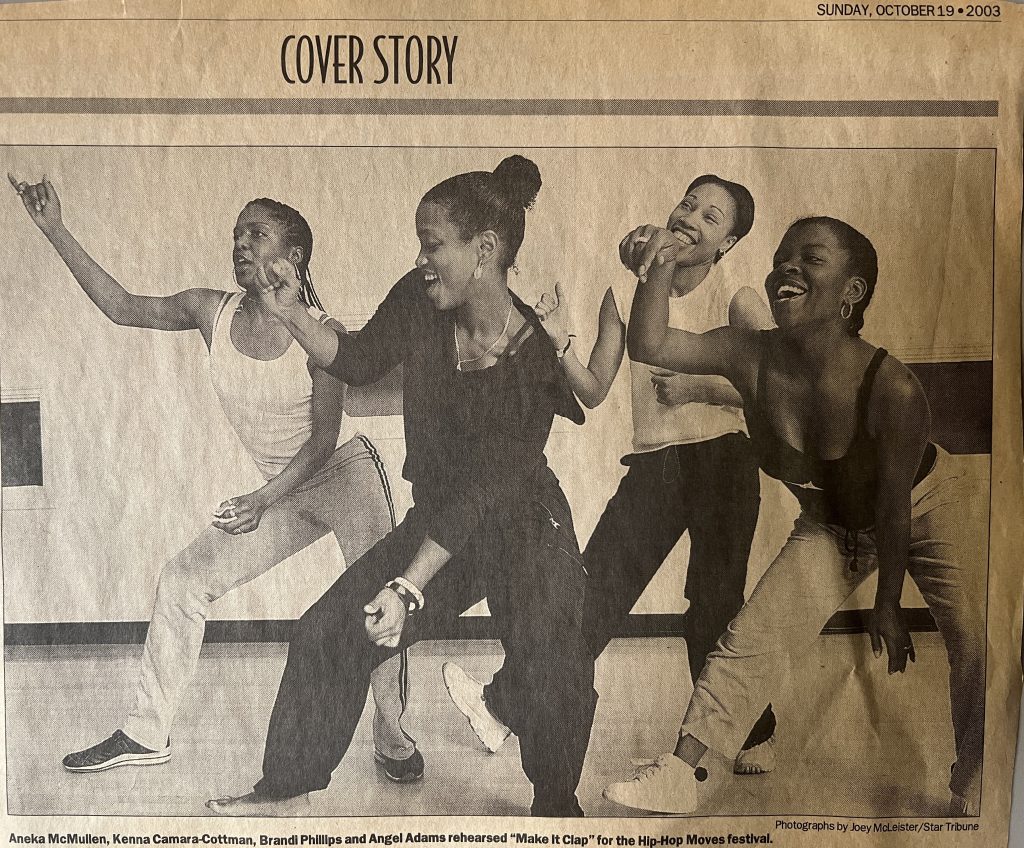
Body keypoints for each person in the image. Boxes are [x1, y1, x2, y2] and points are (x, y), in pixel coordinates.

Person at [206, 155, 596, 818]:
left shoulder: (533, 354)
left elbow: (486, 492)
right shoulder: (421, 300)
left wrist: (408, 584)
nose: (421, 258)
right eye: (421, 244)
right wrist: (292, 311)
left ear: (486, 250)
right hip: (444, 515)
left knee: (551, 648)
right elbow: (355, 361)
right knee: (329, 632)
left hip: (526, 522)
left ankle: (556, 806)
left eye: (433, 245)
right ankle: (285, 784)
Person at [8, 175, 420, 782]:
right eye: (236, 233)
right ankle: (146, 733)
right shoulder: (211, 311)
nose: (240, 243)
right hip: (279, 492)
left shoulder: (318, 334)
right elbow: (123, 308)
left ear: (293, 255)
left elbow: (323, 444)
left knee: (379, 607)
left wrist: (261, 499)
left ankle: (392, 732)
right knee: (182, 580)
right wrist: (54, 229)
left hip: (345, 477)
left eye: (257, 233)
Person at [602, 215, 985, 816]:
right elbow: (652, 345)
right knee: (749, 639)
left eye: (811, 259)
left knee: (975, 640)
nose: (789, 267)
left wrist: (886, 603)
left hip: (923, 508)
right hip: (830, 523)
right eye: (782, 257)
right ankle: (684, 771)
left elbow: (892, 505)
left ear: (852, 292)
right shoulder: (747, 353)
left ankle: (977, 772)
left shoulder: (892, 387)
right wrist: (660, 264)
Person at [447, 176, 777, 773]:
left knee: (713, 603)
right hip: (658, 467)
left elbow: (776, 383)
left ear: (726, 243)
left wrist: (699, 386)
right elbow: (594, 391)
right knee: (589, 593)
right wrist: (556, 345)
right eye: (688, 203)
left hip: (725, 460)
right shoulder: (625, 293)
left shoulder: (737, 297)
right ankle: (503, 707)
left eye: (711, 216)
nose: (691, 217)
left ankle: (748, 734)